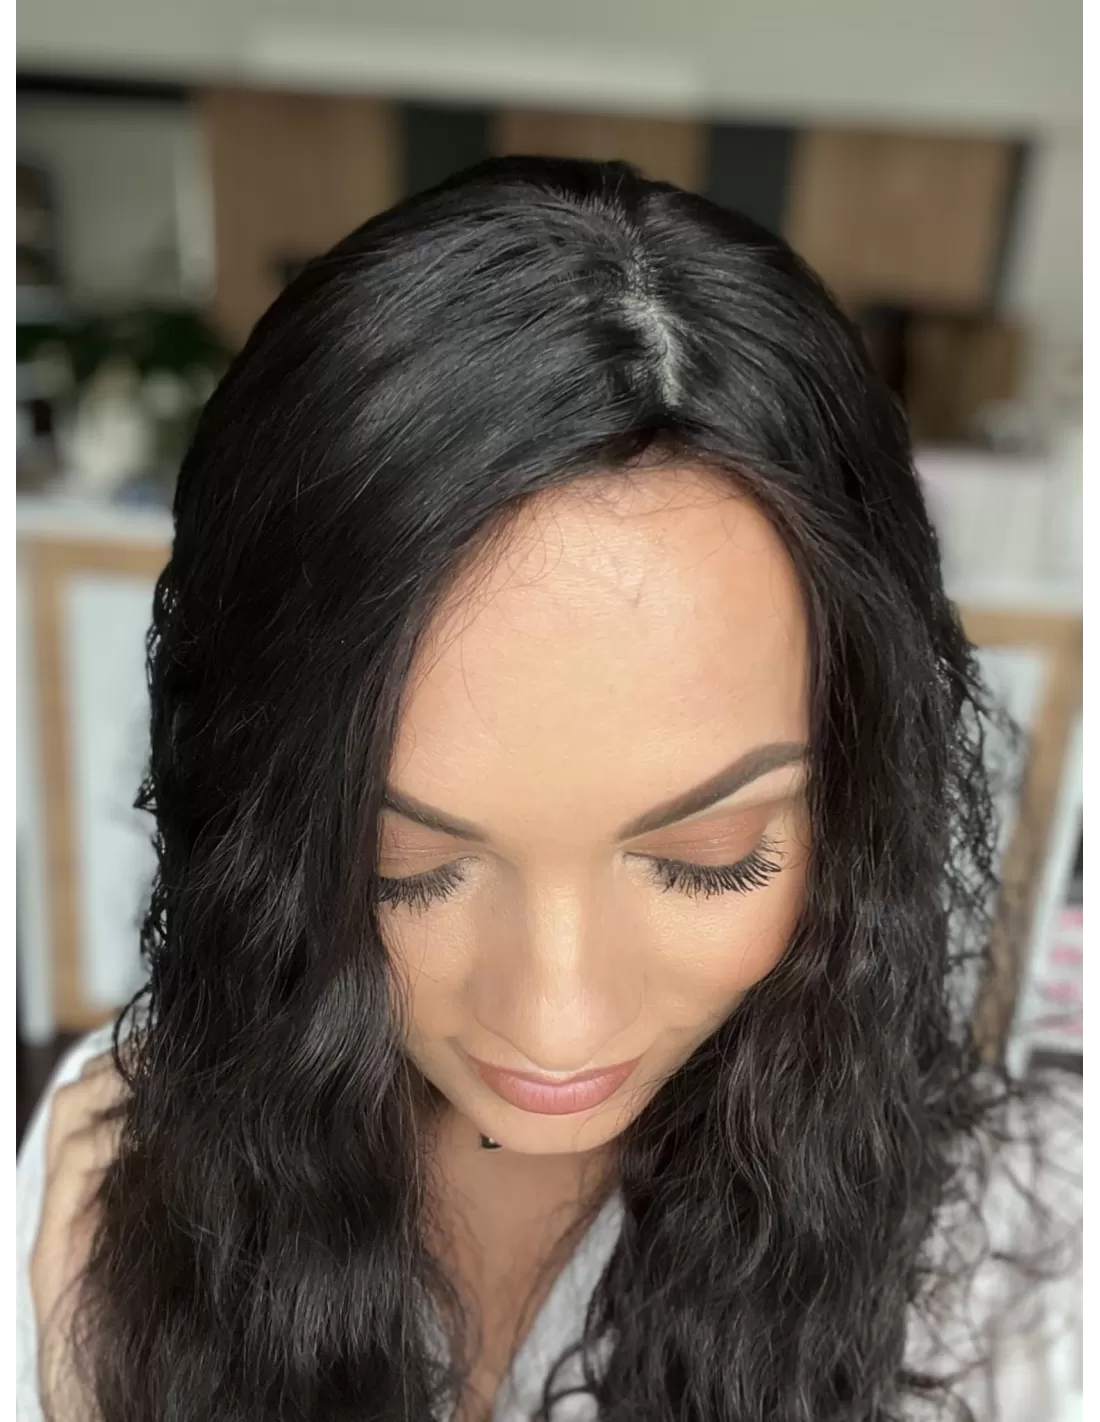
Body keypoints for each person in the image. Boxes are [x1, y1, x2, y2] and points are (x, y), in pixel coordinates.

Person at [17, 156, 1080, 1422]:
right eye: (404, 867)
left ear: (856, 796)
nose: (558, 1023)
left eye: (709, 858)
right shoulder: (122, 1164)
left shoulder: (1023, 1267)